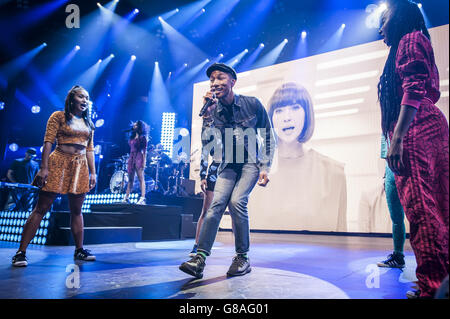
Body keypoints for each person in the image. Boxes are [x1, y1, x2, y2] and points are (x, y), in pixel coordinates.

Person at [378, 0, 449, 298]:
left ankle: (432, 286)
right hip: (425, 125)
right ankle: (440, 281)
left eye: (384, 19)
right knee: (438, 208)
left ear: (398, 17)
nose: (381, 27)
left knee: (422, 210)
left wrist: (398, 139)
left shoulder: (409, 39)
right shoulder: (416, 39)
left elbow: (415, 87)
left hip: (416, 128)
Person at [179, 63, 275, 278]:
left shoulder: (252, 104)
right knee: (216, 206)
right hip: (227, 164)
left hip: (250, 162)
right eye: (212, 79)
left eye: (220, 78)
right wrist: (208, 118)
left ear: (232, 81)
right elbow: (211, 148)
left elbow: (269, 135)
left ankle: (242, 257)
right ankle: (199, 258)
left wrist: (265, 167)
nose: (215, 83)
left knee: (237, 202)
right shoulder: (214, 112)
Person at [11, 85, 97, 267]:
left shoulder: (89, 123)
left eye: (87, 98)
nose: (84, 101)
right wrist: (44, 167)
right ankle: (21, 252)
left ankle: (79, 250)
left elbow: (89, 149)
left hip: (80, 166)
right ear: (72, 99)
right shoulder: (58, 116)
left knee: (76, 210)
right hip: (58, 161)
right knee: (41, 208)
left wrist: (93, 172)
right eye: (81, 97)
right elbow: (48, 141)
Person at [248, 82, 347, 232]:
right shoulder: (250, 171)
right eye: (279, 110)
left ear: (307, 113)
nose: (287, 117)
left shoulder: (333, 172)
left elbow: (341, 234)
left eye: (295, 108)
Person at [377, 134, 406, 268]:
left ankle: (429, 261)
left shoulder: (408, 117)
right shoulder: (386, 128)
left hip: (407, 165)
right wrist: (385, 175)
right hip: (390, 171)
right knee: (396, 218)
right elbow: (386, 155)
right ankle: (398, 255)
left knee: (420, 217)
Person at [122, 120, 149, 205]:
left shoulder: (143, 137)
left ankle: (142, 198)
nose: (134, 126)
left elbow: (145, 151)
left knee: (141, 178)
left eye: (136, 125)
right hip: (131, 157)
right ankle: (126, 197)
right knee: (130, 179)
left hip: (138, 157)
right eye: (134, 125)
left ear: (139, 127)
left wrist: (144, 162)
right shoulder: (132, 137)